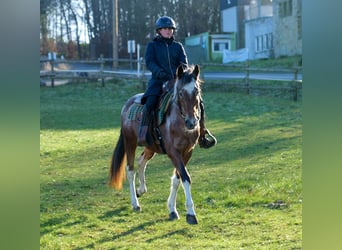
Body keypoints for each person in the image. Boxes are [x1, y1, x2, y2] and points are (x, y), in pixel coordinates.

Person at [138, 16, 217, 149]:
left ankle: (202, 134)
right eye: (165, 29)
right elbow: (150, 62)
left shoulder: (178, 46)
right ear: (159, 30)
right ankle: (143, 132)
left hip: (178, 82)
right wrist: (160, 72)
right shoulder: (152, 46)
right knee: (150, 102)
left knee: (199, 103)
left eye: (170, 29)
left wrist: (182, 75)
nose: (168, 31)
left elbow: (184, 64)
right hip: (158, 81)